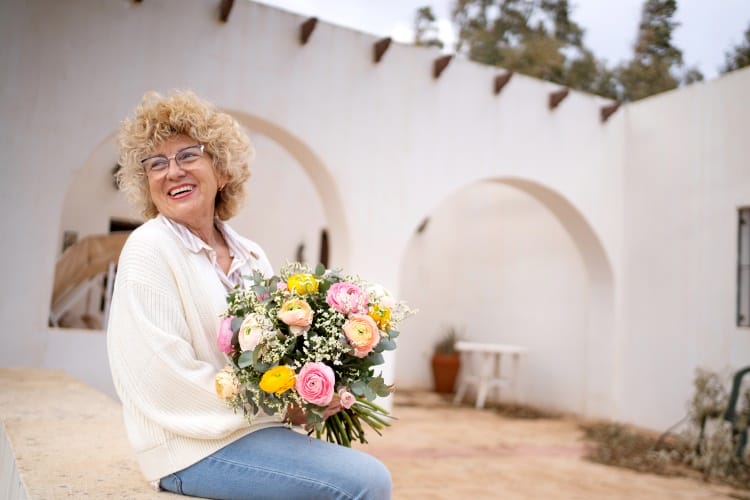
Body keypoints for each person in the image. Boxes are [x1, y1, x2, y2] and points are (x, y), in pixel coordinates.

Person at [107, 90, 392, 499]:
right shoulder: (149, 248)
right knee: (365, 482)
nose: (172, 172)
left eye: (188, 156)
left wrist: (317, 384)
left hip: (250, 432)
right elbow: (160, 379)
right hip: (190, 447)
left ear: (222, 171)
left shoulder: (251, 254)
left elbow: (274, 356)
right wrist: (280, 407)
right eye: (156, 163)